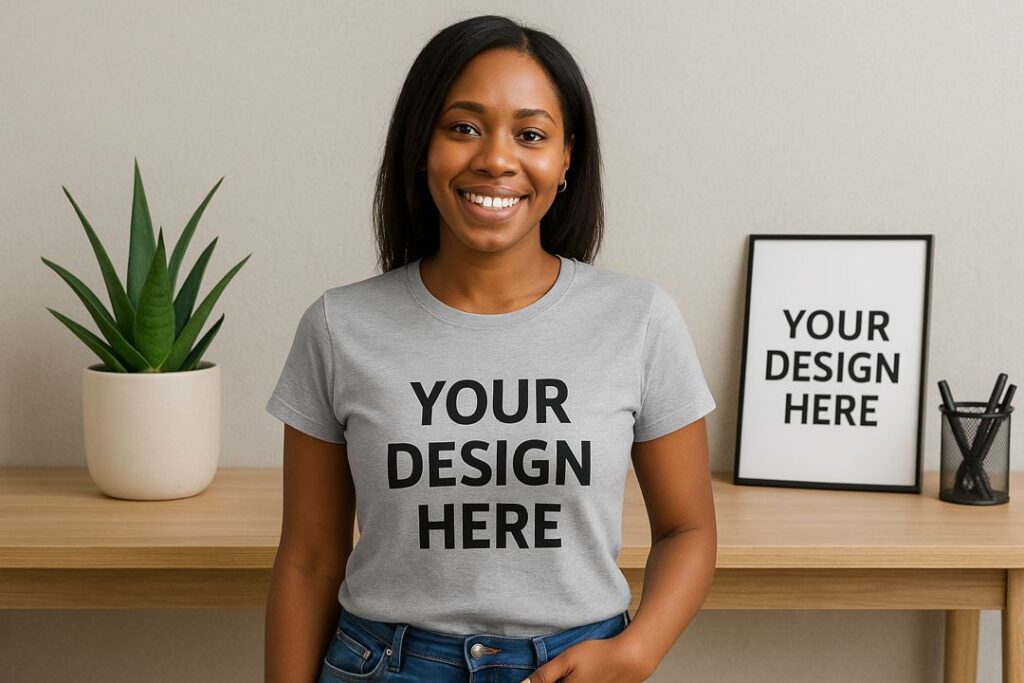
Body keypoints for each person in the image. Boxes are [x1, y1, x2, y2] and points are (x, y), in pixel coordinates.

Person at [264, 14, 718, 683]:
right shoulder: (339, 326)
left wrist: (635, 649)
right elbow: (307, 557)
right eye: (464, 127)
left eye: (530, 134)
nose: (496, 158)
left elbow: (688, 530)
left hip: (575, 663)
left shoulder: (639, 318)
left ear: (566, 159)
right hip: (383, 665)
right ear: (422, 145)